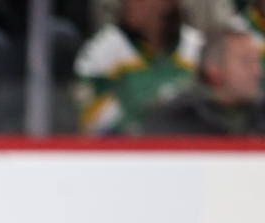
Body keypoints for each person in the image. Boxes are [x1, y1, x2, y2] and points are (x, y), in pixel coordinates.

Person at [75, 0, 202, 134]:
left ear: (167, 3)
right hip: (123, 150)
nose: (128, 3)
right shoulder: (102, 48)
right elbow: (88, 120)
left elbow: (212, 111)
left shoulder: (195, 49)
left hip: (186, 149)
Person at [145, 24, 265, 133]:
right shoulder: (176, 119)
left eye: (256, 62)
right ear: (214, 70)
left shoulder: (261, 115)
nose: (258, 71)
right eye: (246, 61)